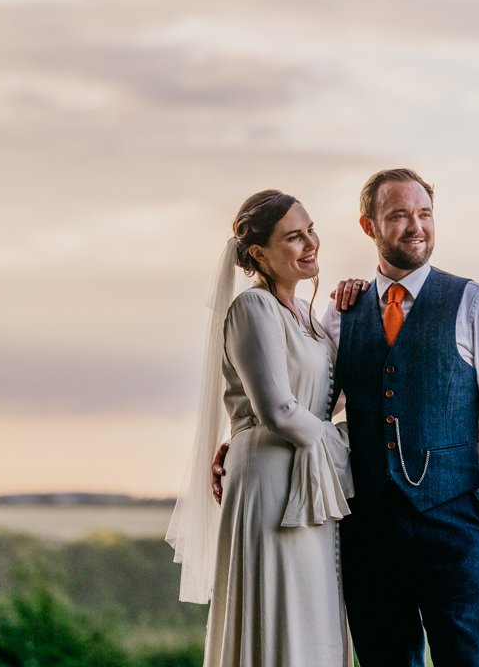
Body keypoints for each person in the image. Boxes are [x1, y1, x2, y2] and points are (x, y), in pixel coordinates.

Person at [214, 168, 479, 667]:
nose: (416, 227)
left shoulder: (474, 302)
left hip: (456, 523)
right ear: (369, 226)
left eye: (424, 214)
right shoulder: (342, 311)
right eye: (399, 215)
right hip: (368, 527)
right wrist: (242, 439)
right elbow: (311, 399)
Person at [166, 189, 354, 667]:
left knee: (313, 610)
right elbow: (276, 410)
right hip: (272, 484)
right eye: (294, 236)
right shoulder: (252, 310)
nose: (311, 242)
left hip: (312, 479)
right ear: (258, 254)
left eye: (311, 229)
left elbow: (329, 399)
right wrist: (352, 451)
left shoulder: (309, 318)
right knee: (277, 607)